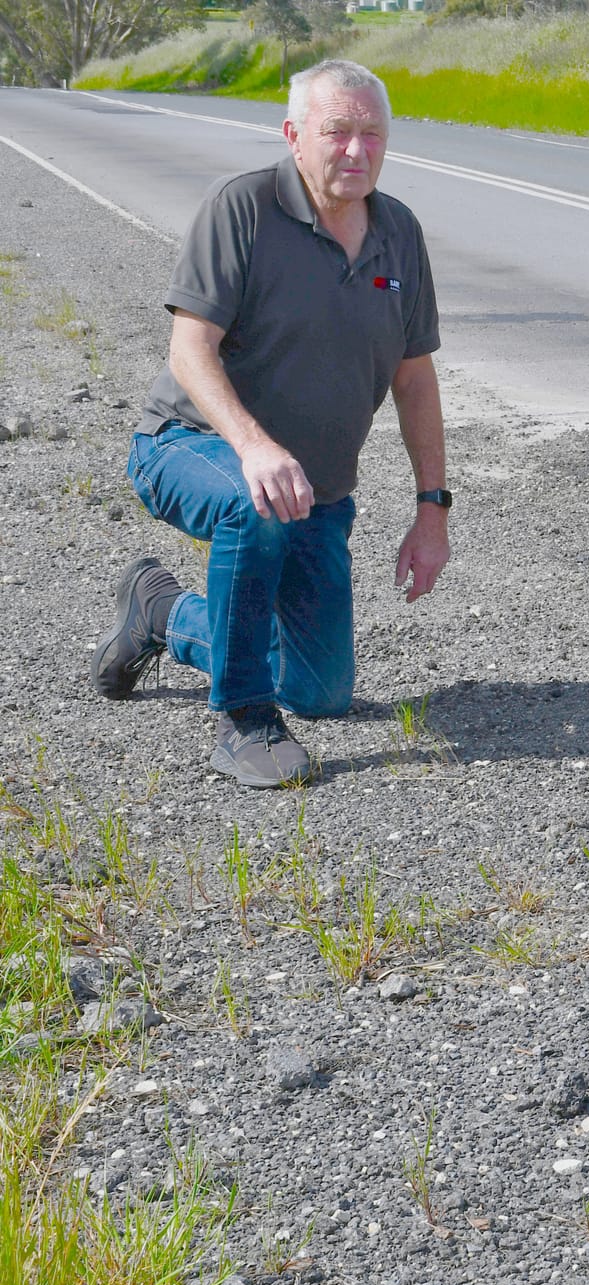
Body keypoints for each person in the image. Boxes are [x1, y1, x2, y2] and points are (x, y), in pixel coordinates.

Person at [90, 59, 451, 788]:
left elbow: (414, 380)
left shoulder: (399, 232)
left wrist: (431, 509)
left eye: (372, 134)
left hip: (315, 492)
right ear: (293, 135)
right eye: (337, 132)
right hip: (189, 445)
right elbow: (190, 350)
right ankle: (243, 721)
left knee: (321, 690)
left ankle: (160, 610)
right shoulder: (243, 208)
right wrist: (251, 447)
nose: (357, 150)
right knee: (251, 503)